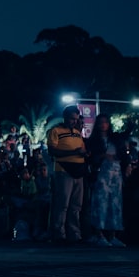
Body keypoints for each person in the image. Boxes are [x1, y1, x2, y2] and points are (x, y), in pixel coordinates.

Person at [85, 114, 133, 247]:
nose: (103, 125)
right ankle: (98, 234)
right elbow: (90, 157)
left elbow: (126, 137)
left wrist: (130, 122)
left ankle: (112, 235)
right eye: (100, 122)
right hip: (101, 174)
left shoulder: (116, 138)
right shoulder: (93, 141)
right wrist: (102, 156)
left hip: (116, 173)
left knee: (115, 204)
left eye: (105, 122)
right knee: (100, 203)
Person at [47, 105, 89, 245]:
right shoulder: (56, 131)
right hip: (63, 169)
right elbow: (53, 151)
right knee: (62, 203)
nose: (74, 121)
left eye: (76, 119)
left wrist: (83, 153)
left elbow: (82, 148)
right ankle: (59, 234)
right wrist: (74, 152)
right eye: (72, 119)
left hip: (78, 170)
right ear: (65, 117)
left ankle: (74, 234)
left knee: (76, 205)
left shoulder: (77, 133)